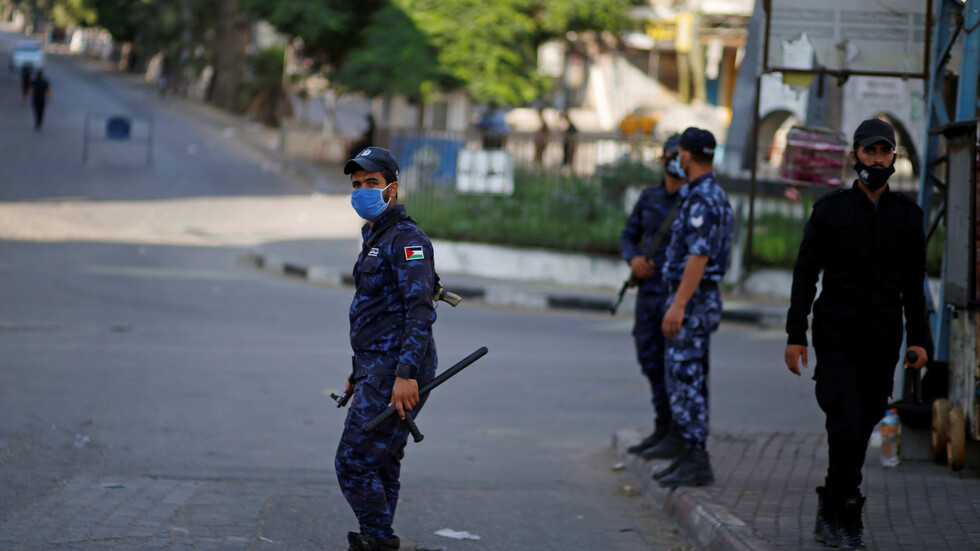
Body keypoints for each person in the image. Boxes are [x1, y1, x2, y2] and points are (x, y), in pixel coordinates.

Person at [784, 118, 931, 551]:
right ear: (854, 156)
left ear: (894, 158)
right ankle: (849, 518)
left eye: (884, 152)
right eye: (870, 151)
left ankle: (829, 509)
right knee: (845, 425)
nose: (877, 159)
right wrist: (796, 333)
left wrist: (920, 339)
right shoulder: (829, 211)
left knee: (861, 425)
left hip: (882, 342)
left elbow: (914, 284)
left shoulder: (908, 216)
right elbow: (805, 275)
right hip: (836, 340)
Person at [336, 147, 438, 551]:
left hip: (396, 371)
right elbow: (375, 311)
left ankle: (378, 540)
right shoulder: (376, 235)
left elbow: (420, 310)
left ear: (391, 189)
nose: (362, 190)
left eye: (371, 183)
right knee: (382, 461)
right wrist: (357, 370)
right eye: (356, 184)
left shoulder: (408, 240)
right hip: (375, 368)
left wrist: (406, 374)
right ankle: (376, 537)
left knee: (352, 461)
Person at [653, 127, 734, 487]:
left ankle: (697, 458)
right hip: (697, 299)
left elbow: (698, 257)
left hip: (693, 300)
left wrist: (679, 304)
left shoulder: (702, 198)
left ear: (685, 155)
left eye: (679, 154)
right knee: (691, 379)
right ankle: (690, 454)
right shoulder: (710, 194)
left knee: (685, 379)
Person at [619, 134, 687, 459]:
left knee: (675, 365)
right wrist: (634, 259)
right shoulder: (650, 197)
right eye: (671, 155)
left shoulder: (693, 200)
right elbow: (628, 236)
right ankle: (662, 427)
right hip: (649, 295)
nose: (676, 162)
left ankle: (677, 432)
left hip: (677, 296)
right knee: (650, 359)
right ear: (662, 160)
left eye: (681, 155)